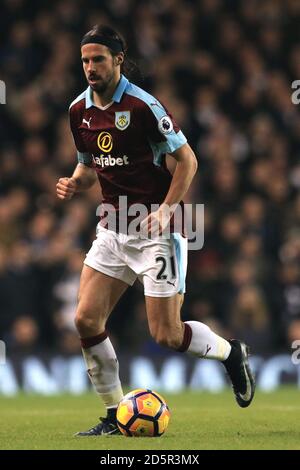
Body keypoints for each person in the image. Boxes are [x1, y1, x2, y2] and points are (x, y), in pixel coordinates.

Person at [56, 25, 255, 436]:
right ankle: (115, 414)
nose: (90, 68)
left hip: (156, 230)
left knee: (166, 334)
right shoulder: (78, 110)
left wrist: (167, 211)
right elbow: (89, 164)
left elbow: (188, 162)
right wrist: (77, 181)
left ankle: (230, 353)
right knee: (85, 320)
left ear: (118, 60)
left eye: (98, 60)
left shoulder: (144, 106)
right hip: (114, 227)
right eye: (85, 61)